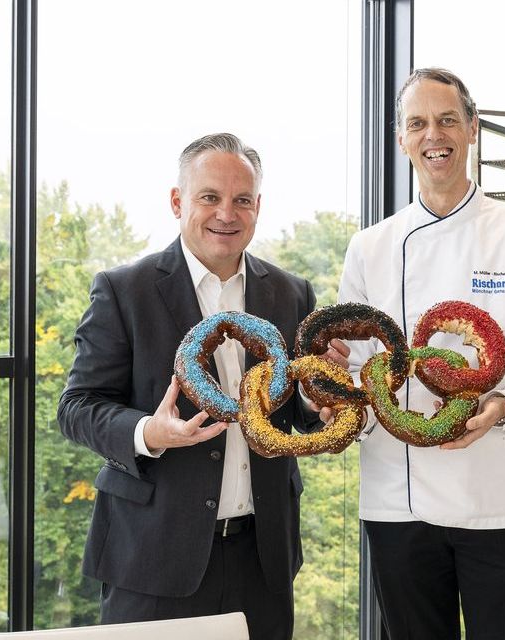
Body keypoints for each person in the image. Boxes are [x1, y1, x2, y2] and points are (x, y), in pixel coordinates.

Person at [337, 68, 505, 639]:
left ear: (472, 128)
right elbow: (358, 373)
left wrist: (503, 405)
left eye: (448, 119)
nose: (434, 135)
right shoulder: (370, 248)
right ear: (401, 138)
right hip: (396, 502)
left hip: (498, 497)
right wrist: (336, 400)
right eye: (418, 123)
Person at [58, 132, 326, 639]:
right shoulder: (124, 290)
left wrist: (316, 403)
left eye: (242, 200)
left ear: (258, 207)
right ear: (178, 201)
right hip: (153, 557)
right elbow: (77, 407)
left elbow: (297, 411)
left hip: (263, 558)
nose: (226, 213)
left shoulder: (292, 294)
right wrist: (148, 433)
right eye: (210, 197)